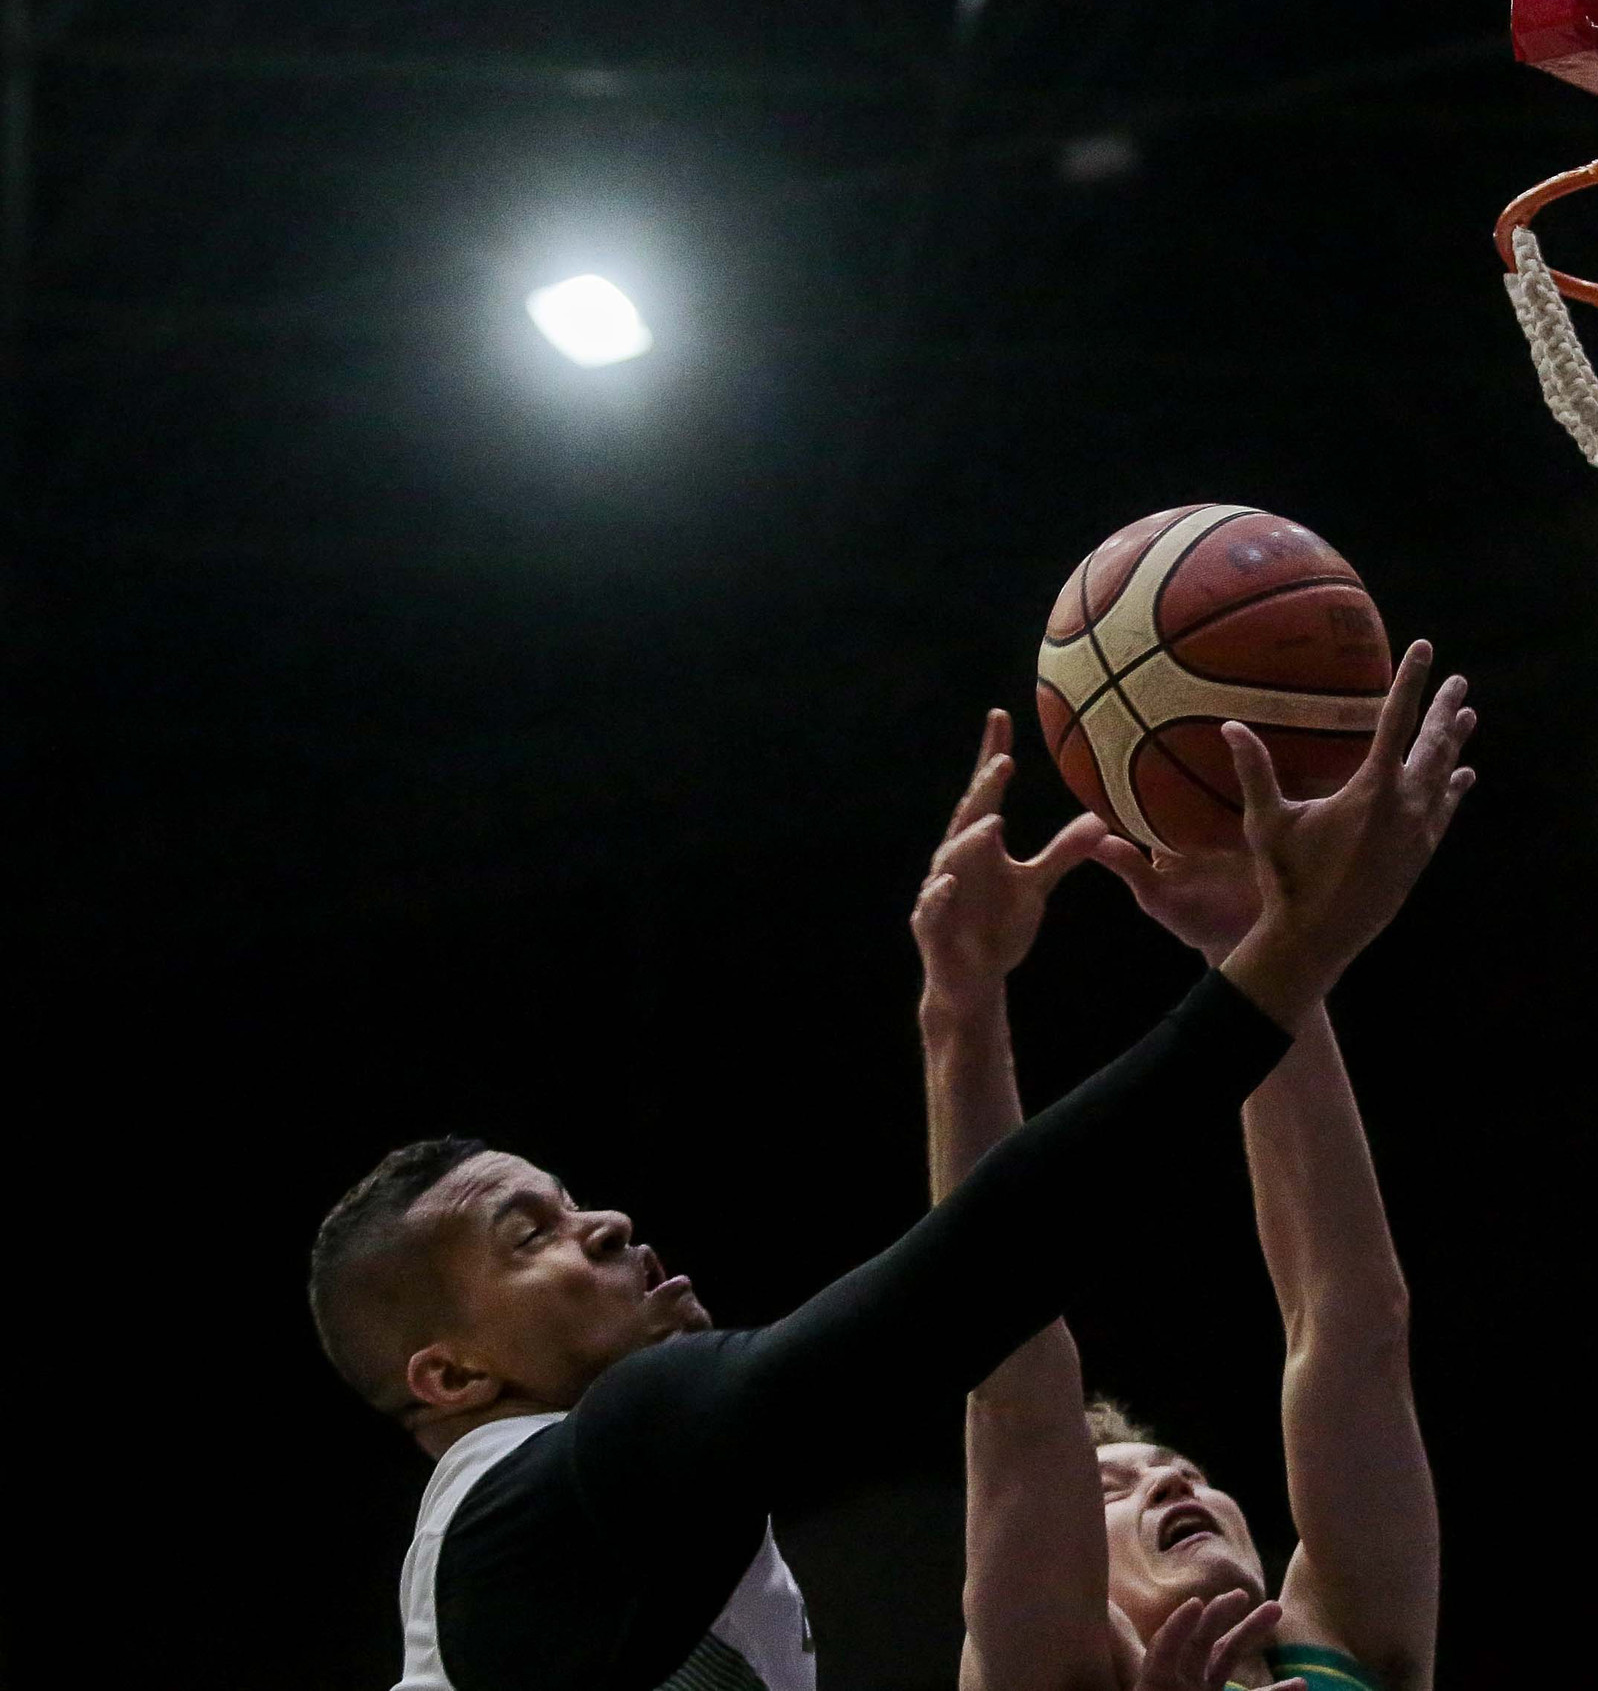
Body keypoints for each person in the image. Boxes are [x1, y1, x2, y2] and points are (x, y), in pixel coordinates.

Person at [304, 642, 1476, 1691]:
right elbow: (983, 1325)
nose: (606, 1222)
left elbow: (1331, 1316)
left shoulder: (674, 1535)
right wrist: (1280, 956)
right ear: (448, 1373)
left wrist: (1246, 962)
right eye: (532, 1234)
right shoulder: (587, 1476)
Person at [913, 683, 1464, 1691]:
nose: (1172, 1474)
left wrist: (1257, 947)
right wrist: (961, 1012)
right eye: (1111, 1489)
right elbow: (1015, 1390)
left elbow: (1348, 1318)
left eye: (1188, 1472)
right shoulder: (1056, 1673)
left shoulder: (1342, 1636)